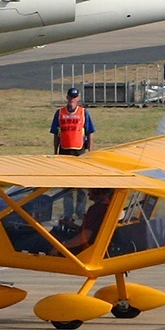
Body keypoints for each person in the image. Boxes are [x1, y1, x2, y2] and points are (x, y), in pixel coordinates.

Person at [51, 87, 95, 221]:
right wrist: (55, 152)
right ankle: (68, 212)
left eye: (75, 97)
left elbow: (90, 132)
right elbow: (56, 134)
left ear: (78, 99)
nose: (72, 100)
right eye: (70, 97)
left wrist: (90, 151)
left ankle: (80, 211)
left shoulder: (83, 113)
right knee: (67, 184)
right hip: (64, 150)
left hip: (79, 150)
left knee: (81, 183)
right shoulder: (60, 113)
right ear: (67, 97)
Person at [59, 187, 113, 253]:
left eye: (90, 191)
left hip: (85, 250)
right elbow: (92, 230)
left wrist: (61, 248)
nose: (88, 194)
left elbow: (87, 236)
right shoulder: (109, 206)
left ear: (97, 191)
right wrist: (72, 225)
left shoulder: (96, 209)